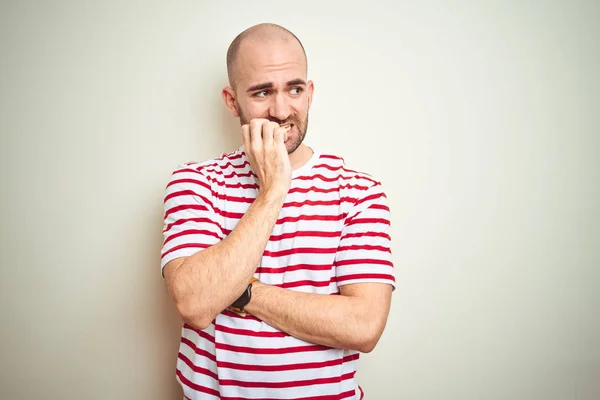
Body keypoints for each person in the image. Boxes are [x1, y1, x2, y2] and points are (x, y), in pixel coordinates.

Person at [161, 23, 395, 400]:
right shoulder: (196, 182)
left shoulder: (358, 191)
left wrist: (243, 292)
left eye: (295, 89)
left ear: (311, 92)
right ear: (232, 100)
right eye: (262, 92)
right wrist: (273, 190)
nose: (282, 109)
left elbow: (363, 326)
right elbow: (195, 302)